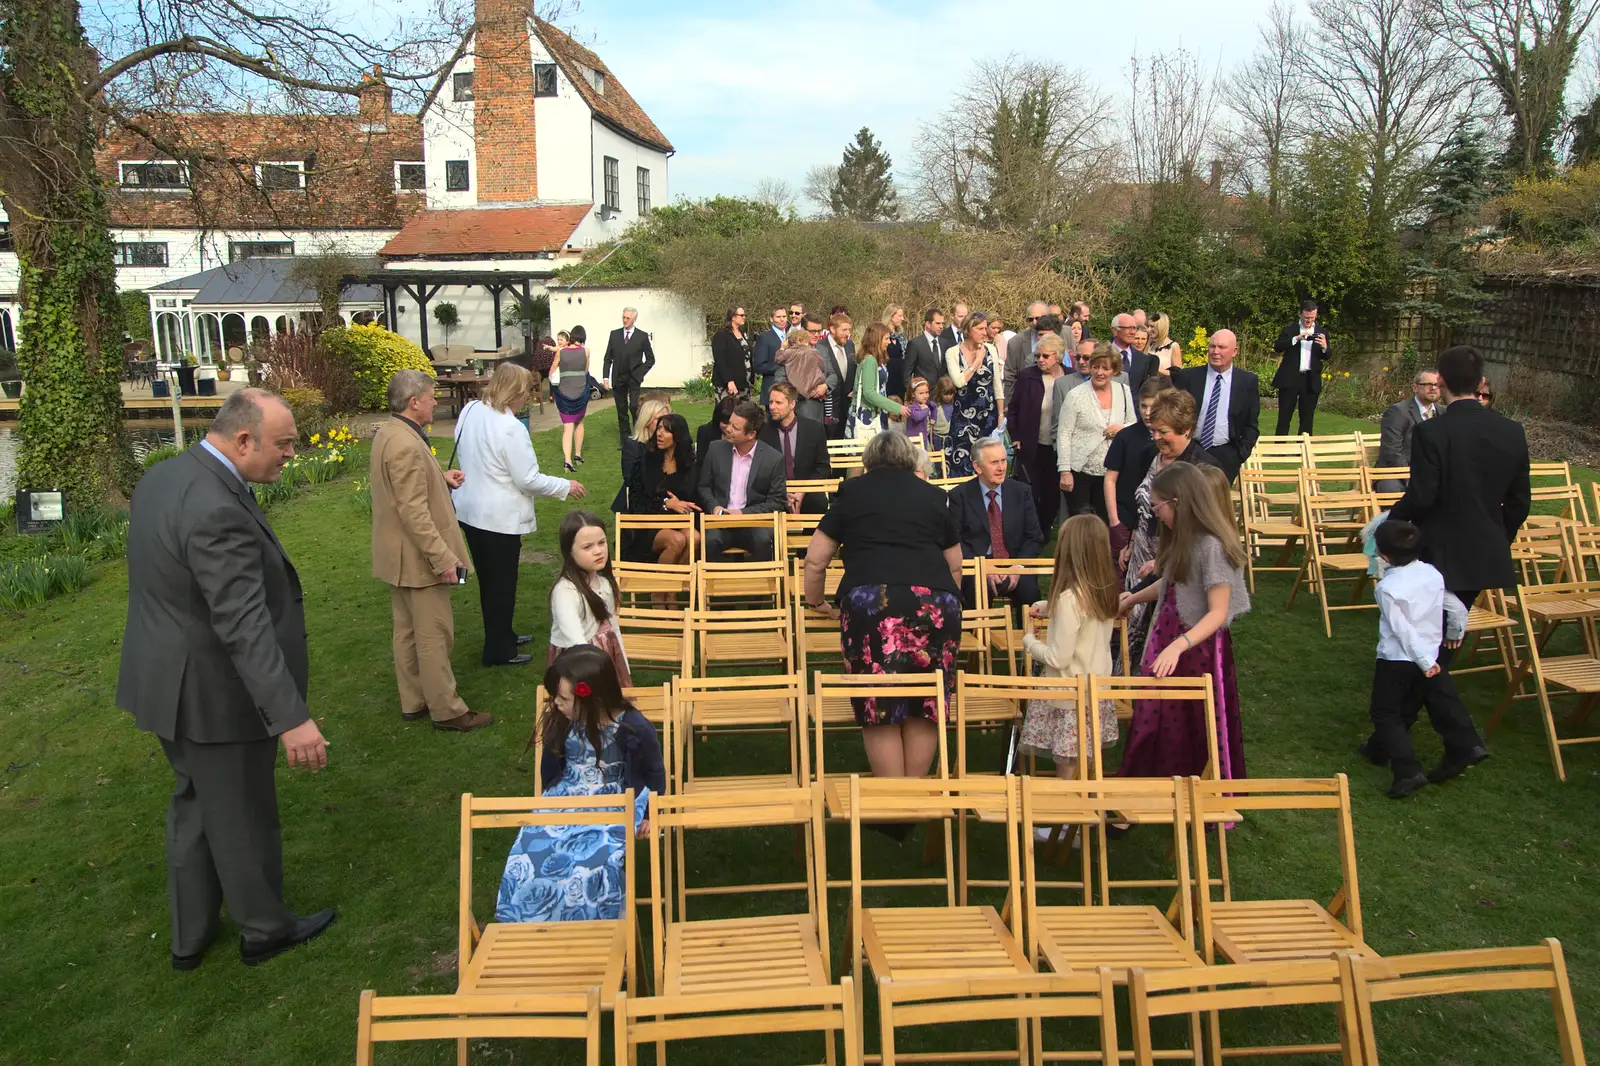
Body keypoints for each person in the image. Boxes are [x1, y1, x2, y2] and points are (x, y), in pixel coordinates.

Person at [118, 389, 334, 971]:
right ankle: (264, 928)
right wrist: (291, 718)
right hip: (214, 693)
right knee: (242, 813)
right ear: (243, 440)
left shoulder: (163, 477)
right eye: (284, 444)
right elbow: (242, 625)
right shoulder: (215, 507)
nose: (293, 453)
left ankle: (190, 937)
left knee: (195, 801)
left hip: (163, 680)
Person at [803, 430, 964, 780]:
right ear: (909, 459)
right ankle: (915, 797)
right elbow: (955, 565)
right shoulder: (935, 495)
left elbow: (815, 561)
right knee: (926, 703)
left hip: (873, 604)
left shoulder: (851, 493)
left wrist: (814, 602)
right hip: (935, 602)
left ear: (868, 461)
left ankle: (895, 802)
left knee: (878, 702)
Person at [1389, 346, 1531, 683]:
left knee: (1429, 645)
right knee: (1439, 642)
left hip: (1439, 551)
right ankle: (1396, 722)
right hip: (1483, 550)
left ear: (1440, 381)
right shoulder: (1512, 431)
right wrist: (1498, 536)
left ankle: (1427, 724)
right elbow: (1519, 502)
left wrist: (1389, 521)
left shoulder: (1432, 431)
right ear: (1481, 381)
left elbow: (1422, 497)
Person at [497, 646, 663, 923]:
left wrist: (648, 813)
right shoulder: (563, 720)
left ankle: (598, 932)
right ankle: (532, 931)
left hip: (615, 799)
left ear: (592, 698)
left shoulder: (634, 727)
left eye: (562, 698)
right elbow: (550, 770)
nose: (556, 704)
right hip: (564, 793)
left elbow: (654, 772)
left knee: (590, 866)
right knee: (527, 857)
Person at [370, 370, 491, 732]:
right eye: (431, 396)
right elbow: (414, 511)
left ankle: (415, 700)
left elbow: (403, 489)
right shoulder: (405, 443)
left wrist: (440, 476)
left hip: (397, 556)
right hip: (418, 559)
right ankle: (448, 709)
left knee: (406, 632)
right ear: (414, 402)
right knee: (433, 636)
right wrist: (443, 560)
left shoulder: (390, 433)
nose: (435, 401)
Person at [1117, 461, 1251, 780]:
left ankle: (1190, 793)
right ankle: (1147, 791)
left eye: (1158, 506)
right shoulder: (1184, 539)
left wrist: (1178, 646)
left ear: (1178, 502)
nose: (1156, 514)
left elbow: (1217, 612)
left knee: (1190, 723)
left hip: (1198, 651)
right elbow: (1173, 584)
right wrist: (1133, 598)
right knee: (1152, 716)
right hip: (1168, 638)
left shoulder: (1214, 547)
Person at [452, 363, 585, 667]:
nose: (527, 397)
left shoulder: (471, 409)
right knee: (501, 583)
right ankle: (498, 649)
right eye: (525, 391)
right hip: (497, 518)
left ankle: (503, 634)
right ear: (514, 391)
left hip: (470, 510)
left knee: (491, 580)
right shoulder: (510, 427)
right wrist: (566, 485)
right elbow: (527, 479)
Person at [1360, 520, 1484, 799]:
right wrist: (1453, 633)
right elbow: (1455, 607)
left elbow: (1400, 628)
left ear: (1383, 554)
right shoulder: (1432, 573)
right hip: (1430, 652)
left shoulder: (1387, 587)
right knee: (1415, 703)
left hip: (1397, 659)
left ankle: (1407, 770)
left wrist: (1424, 662)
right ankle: (1378, 751)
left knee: (1384, 713)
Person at [1120, 389, 1221, 662]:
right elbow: (1138, 501)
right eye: (1152, 430)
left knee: (1159, 626)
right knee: (1130, 625)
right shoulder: (1146, 455)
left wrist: (1164, 561)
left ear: (1186, 429)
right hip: (1141, 548)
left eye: (1162, 431)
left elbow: (1204, 527)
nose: (1155, 437)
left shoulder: (1203, 468)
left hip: (1177, 559)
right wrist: (1130, 543)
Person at [1020, 514, 1121, 780]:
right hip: (1097, 689)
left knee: (1067, 764)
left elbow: (1057, 657)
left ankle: (1065, 818)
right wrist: (1049, 607)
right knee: (1087, 761)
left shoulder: (1069, 600)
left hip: (1069, 692)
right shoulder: (1103, 591)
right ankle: (1085, 814)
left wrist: (1030, 641)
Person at [951, 437, 1045, 608]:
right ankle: (977, 635)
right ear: (977, 467)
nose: (1001, 468)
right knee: (976, 591)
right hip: (979, 566)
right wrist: (983, 567)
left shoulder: (1021, 492)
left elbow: (1034, 537)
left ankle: (1028, 635)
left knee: (1030, 592)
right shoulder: (960, 496)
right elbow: (956, 541)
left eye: (1003, 461)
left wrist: (1018, 566)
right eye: (994, 462)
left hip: (1015, 564)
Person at [548, 510, 631, 685]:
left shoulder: (605, 584)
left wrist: (624, 667)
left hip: (605, 656)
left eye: (601, 543)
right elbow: (575, 642)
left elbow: (614, 628)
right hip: (577, 667)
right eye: (587, 547)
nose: (598, 551)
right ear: (569, 551)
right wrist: (595, 681)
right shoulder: (565, 592)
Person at [697, 399, 787, 560]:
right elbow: (704, 486)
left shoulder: (773, 459)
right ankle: (711, 583)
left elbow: (778, 502)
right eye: (729, 423)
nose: (728, 429)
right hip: (720, 522)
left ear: (751, 434)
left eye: (735, 427)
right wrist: (715, 507)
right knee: (709, 541)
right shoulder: (715, 449)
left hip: (753, 522)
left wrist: (742, 513)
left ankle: (765, 584)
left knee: (763, 540)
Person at [1057, 345, 1136, 522]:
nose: (1099, 372)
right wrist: (1064, 471)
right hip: (1080, 471)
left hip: (1112, 472)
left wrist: (1121, 429)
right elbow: (1064, 433)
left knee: (1106, 523)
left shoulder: (1124, 392)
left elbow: (1133, 424)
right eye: (1096, 367)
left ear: (1115, 370)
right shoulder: (1075, 395)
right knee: (1080, 524)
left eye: (1105, 368)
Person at [1170, 328, 1261, 482]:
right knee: (1186, 500)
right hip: (1190, 449)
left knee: (1216, 503)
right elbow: (1173, 414)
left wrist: (1238, 455)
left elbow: (1251, 424)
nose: (1215, 351)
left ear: (1234, 351)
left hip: (1226, 455)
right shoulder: (1188, 377)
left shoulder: (1247, 382)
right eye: (1212, 346)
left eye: (1221, 347)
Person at [1007, 331, 1069, 530]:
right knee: (1030, 490)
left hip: (1057, 447)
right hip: (1030, 444)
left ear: (1058, 356)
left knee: (1051, 491)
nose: (1040, 360)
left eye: (1045, 356)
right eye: (1037, 356)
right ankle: (1029, 529)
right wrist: (1015, 437)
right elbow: (1013, 409)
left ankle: (1044, 529)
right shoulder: (1028, 376)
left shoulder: (1070, 377)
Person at [620, 411, 700, 565]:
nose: (660, 434)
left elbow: (695, 501)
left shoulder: (690, 465)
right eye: (659, 428)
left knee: (694, 538)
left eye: (666, 430)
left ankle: (672, 587)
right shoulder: (645, 463)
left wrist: (684, 505)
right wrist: (666, 504)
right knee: (676, 540)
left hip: (679, 523)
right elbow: (637, 502)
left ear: (678, 436)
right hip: (648, 525)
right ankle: (663, 589)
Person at [1105, 378, 1168, 563]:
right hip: (1125, 515)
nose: (1147, 413)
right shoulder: (1126, 436)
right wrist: (1114, 520)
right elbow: (1110, 479)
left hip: (1157, 518)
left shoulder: (1169, 438)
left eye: (1153, 407)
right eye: (1143, 406)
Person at [944, 311, 1003, 478]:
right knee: (961, 464)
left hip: (988, 417)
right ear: (969, 330)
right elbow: (959, 381)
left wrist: (1000, 414)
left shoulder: (991, 349)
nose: (985, 333)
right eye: (980, 329)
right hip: (963, 418)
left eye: (985, 328)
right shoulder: (953, 352)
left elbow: (997, 385)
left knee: (988, 464)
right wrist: (977, 361)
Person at [761, 382, 832, 513]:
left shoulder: (814, 429)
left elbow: (823, 467)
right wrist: (782, 493)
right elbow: (761, 471)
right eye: (771, 402)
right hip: (775, 492)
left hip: (807, 490)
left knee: (818, 504)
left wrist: (802, 491)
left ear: (792, 404)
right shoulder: (764, 432)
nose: (772, 407)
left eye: (778, 403)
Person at [1375, 370, 1441, 492]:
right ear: (1415, 388)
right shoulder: (1397, 412)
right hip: (1396, 473)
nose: (1433, 388)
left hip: (1433, 473)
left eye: (1437, 385)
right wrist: (1413, 477)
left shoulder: (1443, 413)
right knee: (1391, 489)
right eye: (1428, 384)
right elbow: (1392, 451)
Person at [1272, 299, 1331, 435]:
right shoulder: (1290, 329)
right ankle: (1278, 452)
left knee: (1307, 419)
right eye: (1306, 317)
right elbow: (1278, 347)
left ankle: (1303, 451)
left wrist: (1324, 347)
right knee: (1284, 418)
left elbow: (1327, 356)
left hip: (1310, 380)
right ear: (1300, 314)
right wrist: (1296, 339)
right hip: (1290, 379)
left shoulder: (1322, 332)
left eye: (1312, 318)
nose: (1309, 321)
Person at [601, 306, 656, 440]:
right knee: (621, 409)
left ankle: (638, 436)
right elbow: (608, 358)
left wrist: (640, 372)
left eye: (628, 318)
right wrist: (605, 377)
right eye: (623, 317)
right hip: (618, 377)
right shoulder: (614, 335)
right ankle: (625, 440)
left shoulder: (642, 336)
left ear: (634, 319)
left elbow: (650, 359)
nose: (624, 320)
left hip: (633, 378)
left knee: (633, 407)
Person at [847, 321, 909, 440]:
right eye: (886, 338)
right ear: (876, 339)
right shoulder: (870, 360)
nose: (889, 342)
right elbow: (869, 392)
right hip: (867, 416)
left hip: (876, 413)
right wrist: (897, 407)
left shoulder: (875, 359)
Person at [614, 395, 672, 514]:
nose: (664, 423)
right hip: (641, 506)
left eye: (667, 419)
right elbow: (632, 479)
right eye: (659, 419)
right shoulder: (633, 446)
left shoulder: (671, 445)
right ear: (647, 421)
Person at [776, 325, 828, 423]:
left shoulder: (788, 353)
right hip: (812, 397)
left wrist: (782, 348)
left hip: (797, 398)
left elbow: (778, 360)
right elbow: (823, 366)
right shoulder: (813, 352)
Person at [818, 311, 857, 440]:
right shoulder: (820, 347)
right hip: (829, 408)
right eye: (844, 330)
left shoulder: (850, 345)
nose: (848, 334)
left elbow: (854, 369)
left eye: (849, 330)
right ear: (832, 329)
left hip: (848, 407)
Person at [1003, 300, 1050, 398]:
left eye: (1038, 318)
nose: (1034, 322)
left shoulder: (1062, 335)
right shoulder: (1016, 342)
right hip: (1026, 396)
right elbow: (1010, 376)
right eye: (1030, 319)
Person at [1106, 313, 1159, 395]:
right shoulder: (1102, 354)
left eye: (1134, 328)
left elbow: (1142, 391)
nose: (1132, 332)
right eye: (1128, 328)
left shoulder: (1142, 359)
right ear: (1115, 330)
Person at [711, 304, 752, 401]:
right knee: (727, 413)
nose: (744, 317)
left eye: (744, 315)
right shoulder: (722, 335)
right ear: (733, 317)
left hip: (744, 383)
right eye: (741, 315)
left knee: (744, 413)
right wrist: (729, 381)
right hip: (728, 385)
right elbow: (720, 360)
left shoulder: (743, 334)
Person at [751, 304, 789, 404]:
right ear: (771, 319)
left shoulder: (791, 335)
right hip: (772, 389)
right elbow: (759, 366)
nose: (782, 319)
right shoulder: (765, 337)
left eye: (784, 317)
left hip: (790, 391)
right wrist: (783, 367)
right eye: (778, 317)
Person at [904, 308, 947, 396]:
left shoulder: (944, 343)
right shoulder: (915, 344)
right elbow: (906, 373)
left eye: (943, 323)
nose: (941, 326)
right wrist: (912, 394)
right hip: (922, 399)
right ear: (928, 324)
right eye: (938, 323)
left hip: (942, 397)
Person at [696, 393, 738, 464]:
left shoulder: (745, 432)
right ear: (718, 419)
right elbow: (701, 462)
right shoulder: (705, 432)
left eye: (734, 424)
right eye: (725, 423)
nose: (729, 428)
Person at [881, 303, 908, 400]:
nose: (902, 319)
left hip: (899, 377)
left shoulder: (900, 336)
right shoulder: (881, 334)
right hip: (887, 377)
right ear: (891, 316)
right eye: (900, 316)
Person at [904, 377, 933, 451]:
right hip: (914, 440)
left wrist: (933, 418)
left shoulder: (924, 404)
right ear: (913, 394)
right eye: (921, 393)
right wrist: (926, 410)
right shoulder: (911, 407)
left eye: (927, 392)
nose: (925, 395)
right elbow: (917, 417)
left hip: (923, 438)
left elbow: (934, 407)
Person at [931, 376, 956, 452]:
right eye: (945, 394)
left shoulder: (955, 405)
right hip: (937, 439)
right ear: (939, 392)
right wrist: (931, 443)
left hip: (951, 439)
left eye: (951, 394)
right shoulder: (935, 406)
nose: (948, 397)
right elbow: (930, 427)